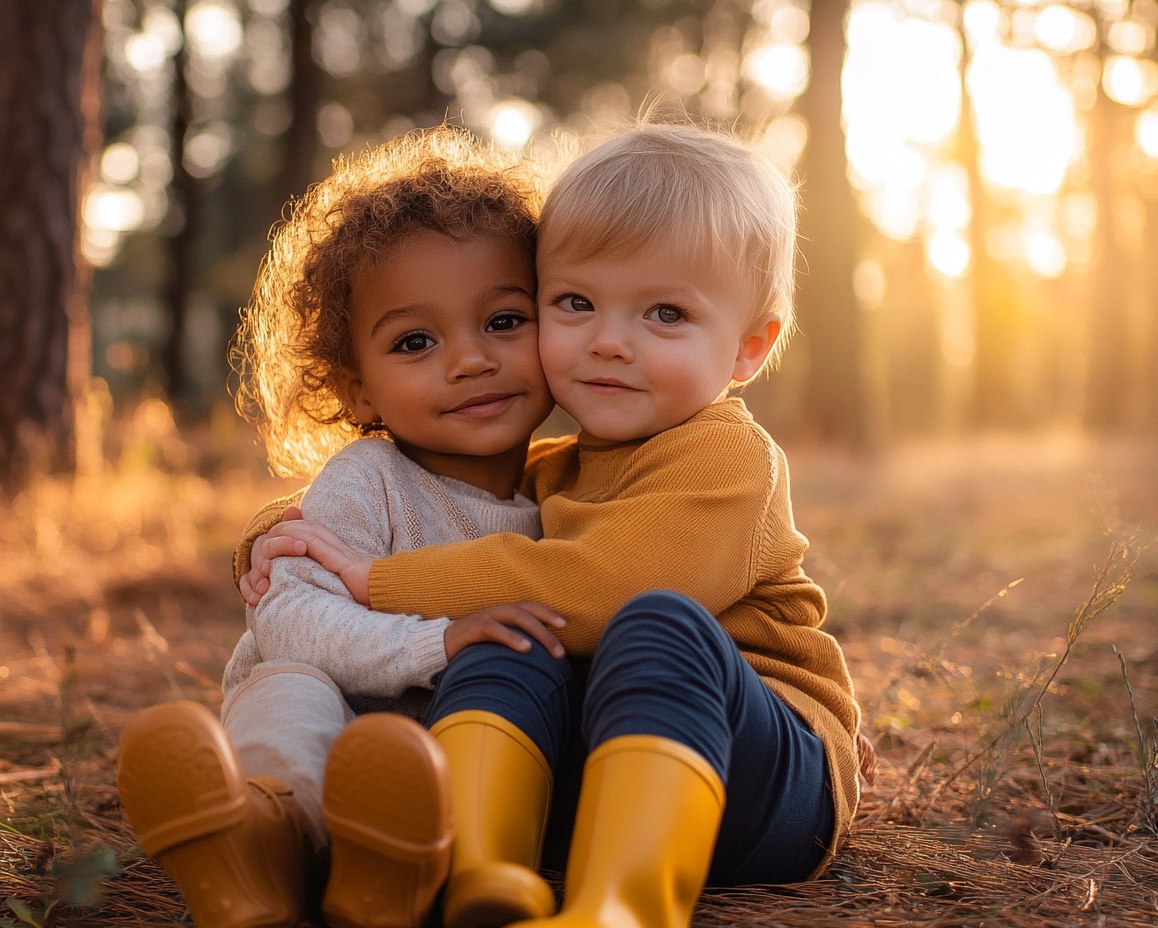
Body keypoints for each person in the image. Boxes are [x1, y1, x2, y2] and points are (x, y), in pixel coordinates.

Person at [242, 121, 866, 928]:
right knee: (510, 637)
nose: (609, 342)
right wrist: (275, 536)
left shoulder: (726, 458)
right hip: (606, 781)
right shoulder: (557, 470)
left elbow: (598, 586)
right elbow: (438, 509)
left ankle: (619, 908)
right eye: (576, 303)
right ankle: (476, 877)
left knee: (653, 624)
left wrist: (374, 581)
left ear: (748, 347)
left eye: (666, 314)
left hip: (765, 778)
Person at [115, 125, 566, 928]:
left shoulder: (570, 492)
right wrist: (436, 643)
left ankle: (381, 873)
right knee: (289, 687)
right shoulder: (369, 480)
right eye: (416, 341)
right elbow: (287, 617)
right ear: (357, 392)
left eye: (504, 321)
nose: (470, 360)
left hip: (444, 770)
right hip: (329, 736)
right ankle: (266, 841)